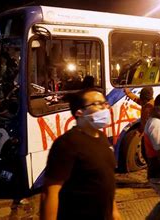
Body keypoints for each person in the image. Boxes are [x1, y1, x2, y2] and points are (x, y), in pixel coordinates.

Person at [40, 88, 121, 220]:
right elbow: (50, 193)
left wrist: (114, 213)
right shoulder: (66, 144)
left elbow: (106, 183)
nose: (105, 108)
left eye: (105, 103)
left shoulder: (101, 138)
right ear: (79, 112)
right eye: (97, 104)